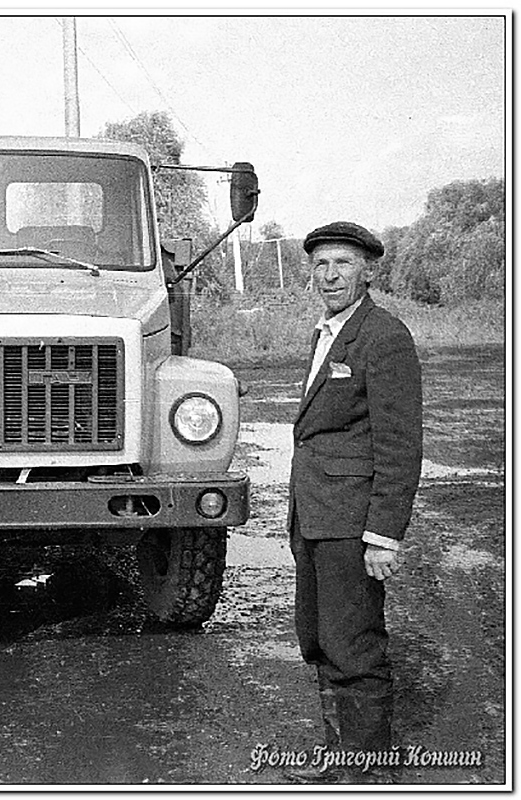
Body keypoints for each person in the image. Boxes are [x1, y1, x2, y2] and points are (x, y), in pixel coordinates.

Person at [285, 221, 423, 783]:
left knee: (354, 645)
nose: (330, 275)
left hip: (351, 522)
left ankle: (368, 775)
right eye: (321, 264)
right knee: (317, 638)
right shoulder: (325, 333)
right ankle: (339, 761)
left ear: (368, 271)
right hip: (314, 515)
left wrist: (384, 534)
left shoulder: (384, 336)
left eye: (343, 263)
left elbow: (399, 444)